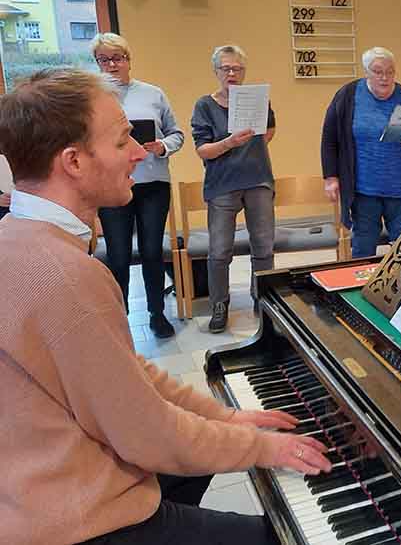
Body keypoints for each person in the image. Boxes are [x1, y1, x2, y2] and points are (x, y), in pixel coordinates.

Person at [0, 68, 332, 545]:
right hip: (74, 520)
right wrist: (261, 445)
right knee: (288, 537)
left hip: (38, 491)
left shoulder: (18, 238)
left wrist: (227, 417)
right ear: (73, 161)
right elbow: (148, 435)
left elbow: (126, 373)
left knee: (203, 459)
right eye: (121, 142)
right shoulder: (64, 274)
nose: (140, 151)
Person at [91, 33, 185, 339]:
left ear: (129, 60)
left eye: (117, 58)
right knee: (117, 255)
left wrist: (162, 146)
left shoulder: (153, 94)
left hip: (153, 184)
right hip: (112, 186)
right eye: (104, 59)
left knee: (151, 251)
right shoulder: (90, 99)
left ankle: (157, 314)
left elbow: (177, 134)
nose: (111, 65)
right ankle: (121, 319)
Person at [191, 45, 276, 333]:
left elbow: (271, 128)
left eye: (237, 68)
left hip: (258, 180)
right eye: (226, 68)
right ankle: (219, 305)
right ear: (216, 72)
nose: (231, 73)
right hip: (222, 185)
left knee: (263, 245)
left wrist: (253, 148)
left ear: (244, 72)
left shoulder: (256, 99)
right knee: (219, 249)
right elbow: (203, 150)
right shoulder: (205, 105)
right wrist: (230, 144)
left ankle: (263, 299)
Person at [321, 46, 401, 258]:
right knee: (363, 250)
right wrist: (331, 177)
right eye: (378, 72)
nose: (384, 77)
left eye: (390, 71)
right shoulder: (347, 95)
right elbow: (329, 139)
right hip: (364, 190)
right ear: (366, 72)